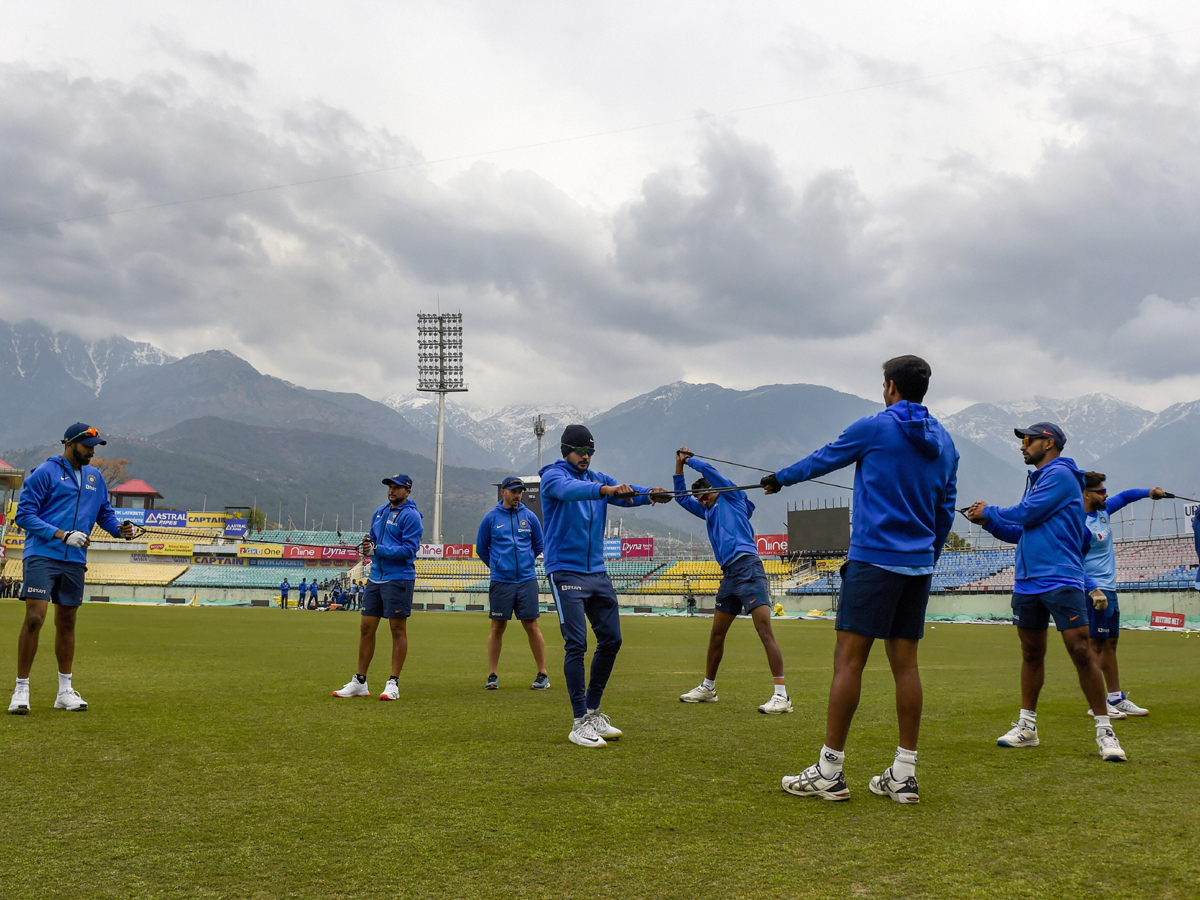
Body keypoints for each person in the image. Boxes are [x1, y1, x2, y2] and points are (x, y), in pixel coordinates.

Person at [764, 356, 959, 803]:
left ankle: (830, 771)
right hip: (918, 566)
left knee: (849, 662)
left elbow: (822, 459)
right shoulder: (946, 442)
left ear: (890, 386)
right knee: (906, 665)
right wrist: (927, 552)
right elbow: (946, 508)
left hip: (873, 561)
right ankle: (903, 774)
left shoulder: (874, 427)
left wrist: (779, 479)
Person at [967, 422, 1126, 762]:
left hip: (1059, 577)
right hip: (1027, 582)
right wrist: (988, 522)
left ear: (1048, 443)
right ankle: (1027, 727)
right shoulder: (1038, 479)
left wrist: (990, 510)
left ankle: (1105, 730)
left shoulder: (1059, 475)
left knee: (1081, 650)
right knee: (1030, 653)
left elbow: (1026, 513)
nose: (1022, 446)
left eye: (1027, 440)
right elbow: (1021, 531)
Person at [539, 424, 670, 747]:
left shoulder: (599, 479)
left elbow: (626, 493)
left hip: (597, 572)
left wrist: (649, 494)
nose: (586, 457)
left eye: (590, 453)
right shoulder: (553, 477)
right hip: (565, 572)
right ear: (566, 450)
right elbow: (572, 491)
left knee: (611, 640)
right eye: (581, 452)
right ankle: (578, 721)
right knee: (577, 645)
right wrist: (606, 491)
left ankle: (594, 711)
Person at [9, 424, 134, 715]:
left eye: (94, 446)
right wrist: (62, 534)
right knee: (35, 618)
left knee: (67, 622)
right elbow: (24, 515)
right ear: (70, 444)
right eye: (87, 446)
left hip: (75, 560)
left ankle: (64, 691)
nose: (92, 451)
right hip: (42, 553)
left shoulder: (95, 478)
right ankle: (21, 689)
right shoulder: (45, 473)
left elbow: (105, 513)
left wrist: (119, 530)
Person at [673, 448, 791, 713]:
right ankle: (708, 687)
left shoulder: (732, 497)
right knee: (716, 634)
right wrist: (678, 465)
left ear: (715, 490)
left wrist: (691, 460)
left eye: (704, 496)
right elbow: (681, 498)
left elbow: (711, 472)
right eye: (699, 500)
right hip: (729, 574)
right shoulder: (708, 510)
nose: (702, 502)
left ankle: (782, 695)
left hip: (748, 568)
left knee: (764, 630)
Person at [332, 474, 422, 701]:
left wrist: (377, 549)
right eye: (390, 487)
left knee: (397, 630)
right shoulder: (379, 512)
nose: (392, 490)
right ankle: (360, 682)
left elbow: (409, 550)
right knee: (366, 628)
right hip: (376, 578)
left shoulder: (411, 516)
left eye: (397, 487)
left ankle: (393, 683)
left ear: (407, 491)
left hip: (399, 578)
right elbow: (372, 540)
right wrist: (367, 545)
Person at [1081, 472, 1163, 718]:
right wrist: (1090, 588)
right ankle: (1097, 703)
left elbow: (1126, 496)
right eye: (1101, 491)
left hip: (1110, 588)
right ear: (1085, 494)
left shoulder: (1103, 512)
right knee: (1094, 643)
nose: (1106, 494)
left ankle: (1115, 698)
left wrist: (1149, 491)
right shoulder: (1076, 521)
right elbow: (1072, 559)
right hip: (1092, 590)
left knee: (1111, 643)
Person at [476, 476, 549, 691]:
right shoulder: (490, 519)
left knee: (531, 626)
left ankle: (543, 674)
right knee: (497, 626)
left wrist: (525, 564)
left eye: (520, 491)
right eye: (514, 491)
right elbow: (482, 549)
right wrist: (498, 566)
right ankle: (492, 675)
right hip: (501, 581)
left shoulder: (530, 517)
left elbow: (538, 545)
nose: (518, 495)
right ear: (504, 492)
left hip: (526, 580)